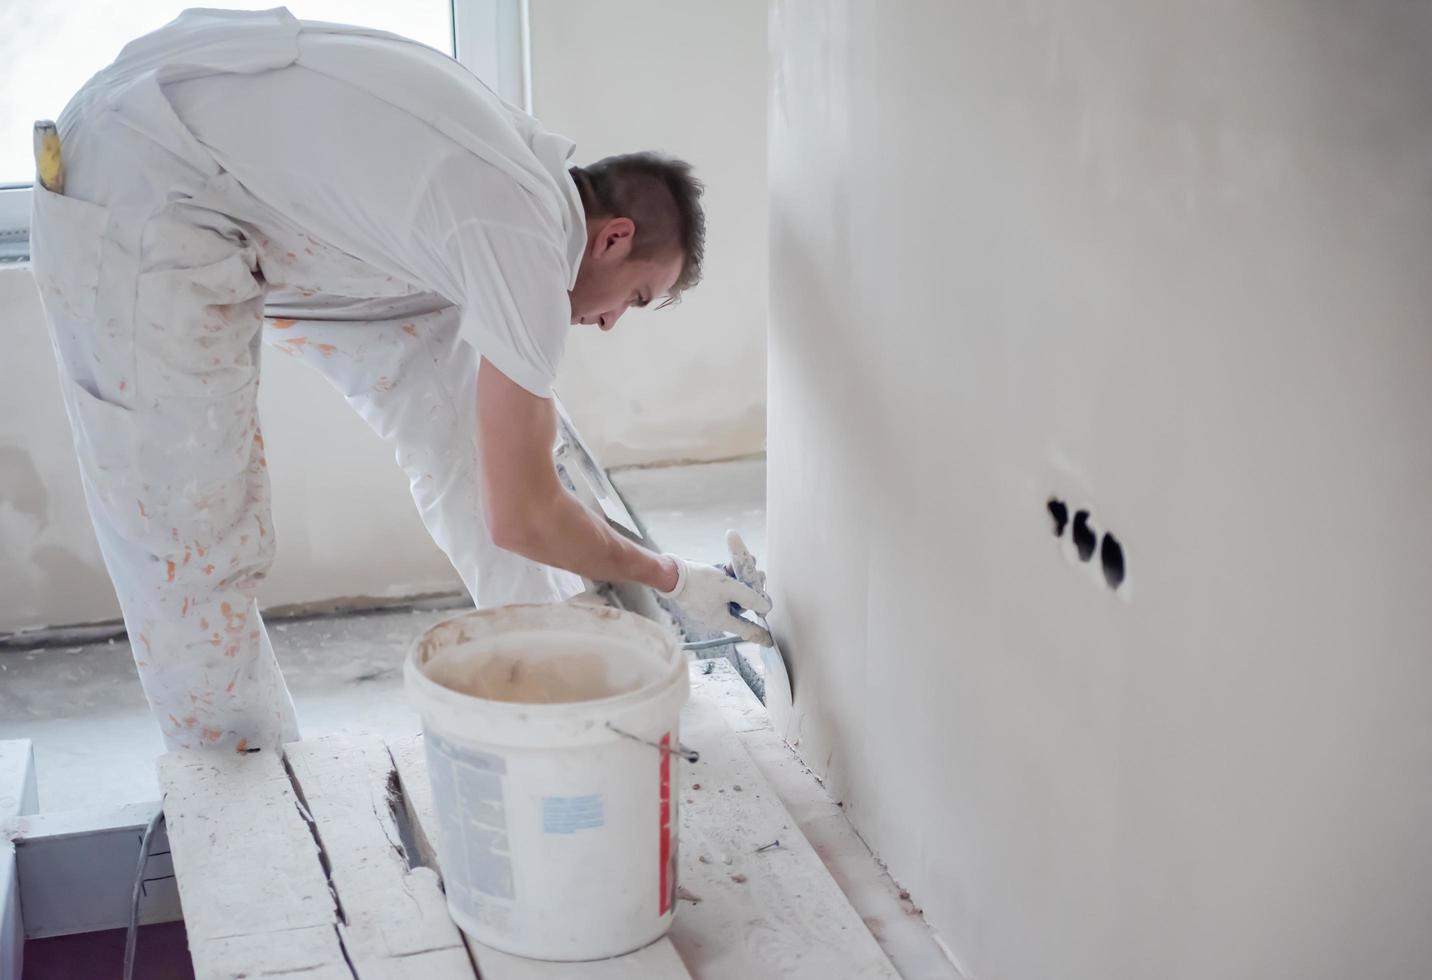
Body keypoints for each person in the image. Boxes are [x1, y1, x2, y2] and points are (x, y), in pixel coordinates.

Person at [30, 7, 771, 753]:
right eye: (636, 299)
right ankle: (247, 798)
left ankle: (576, 689)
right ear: (614, 237)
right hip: (143, 185)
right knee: (190, 534)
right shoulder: (516, 233)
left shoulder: (503, 191)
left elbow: (501, 492)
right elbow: (522, 514)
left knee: (467, 445)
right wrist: (674, 579)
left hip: (284, 218)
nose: (612, 323)